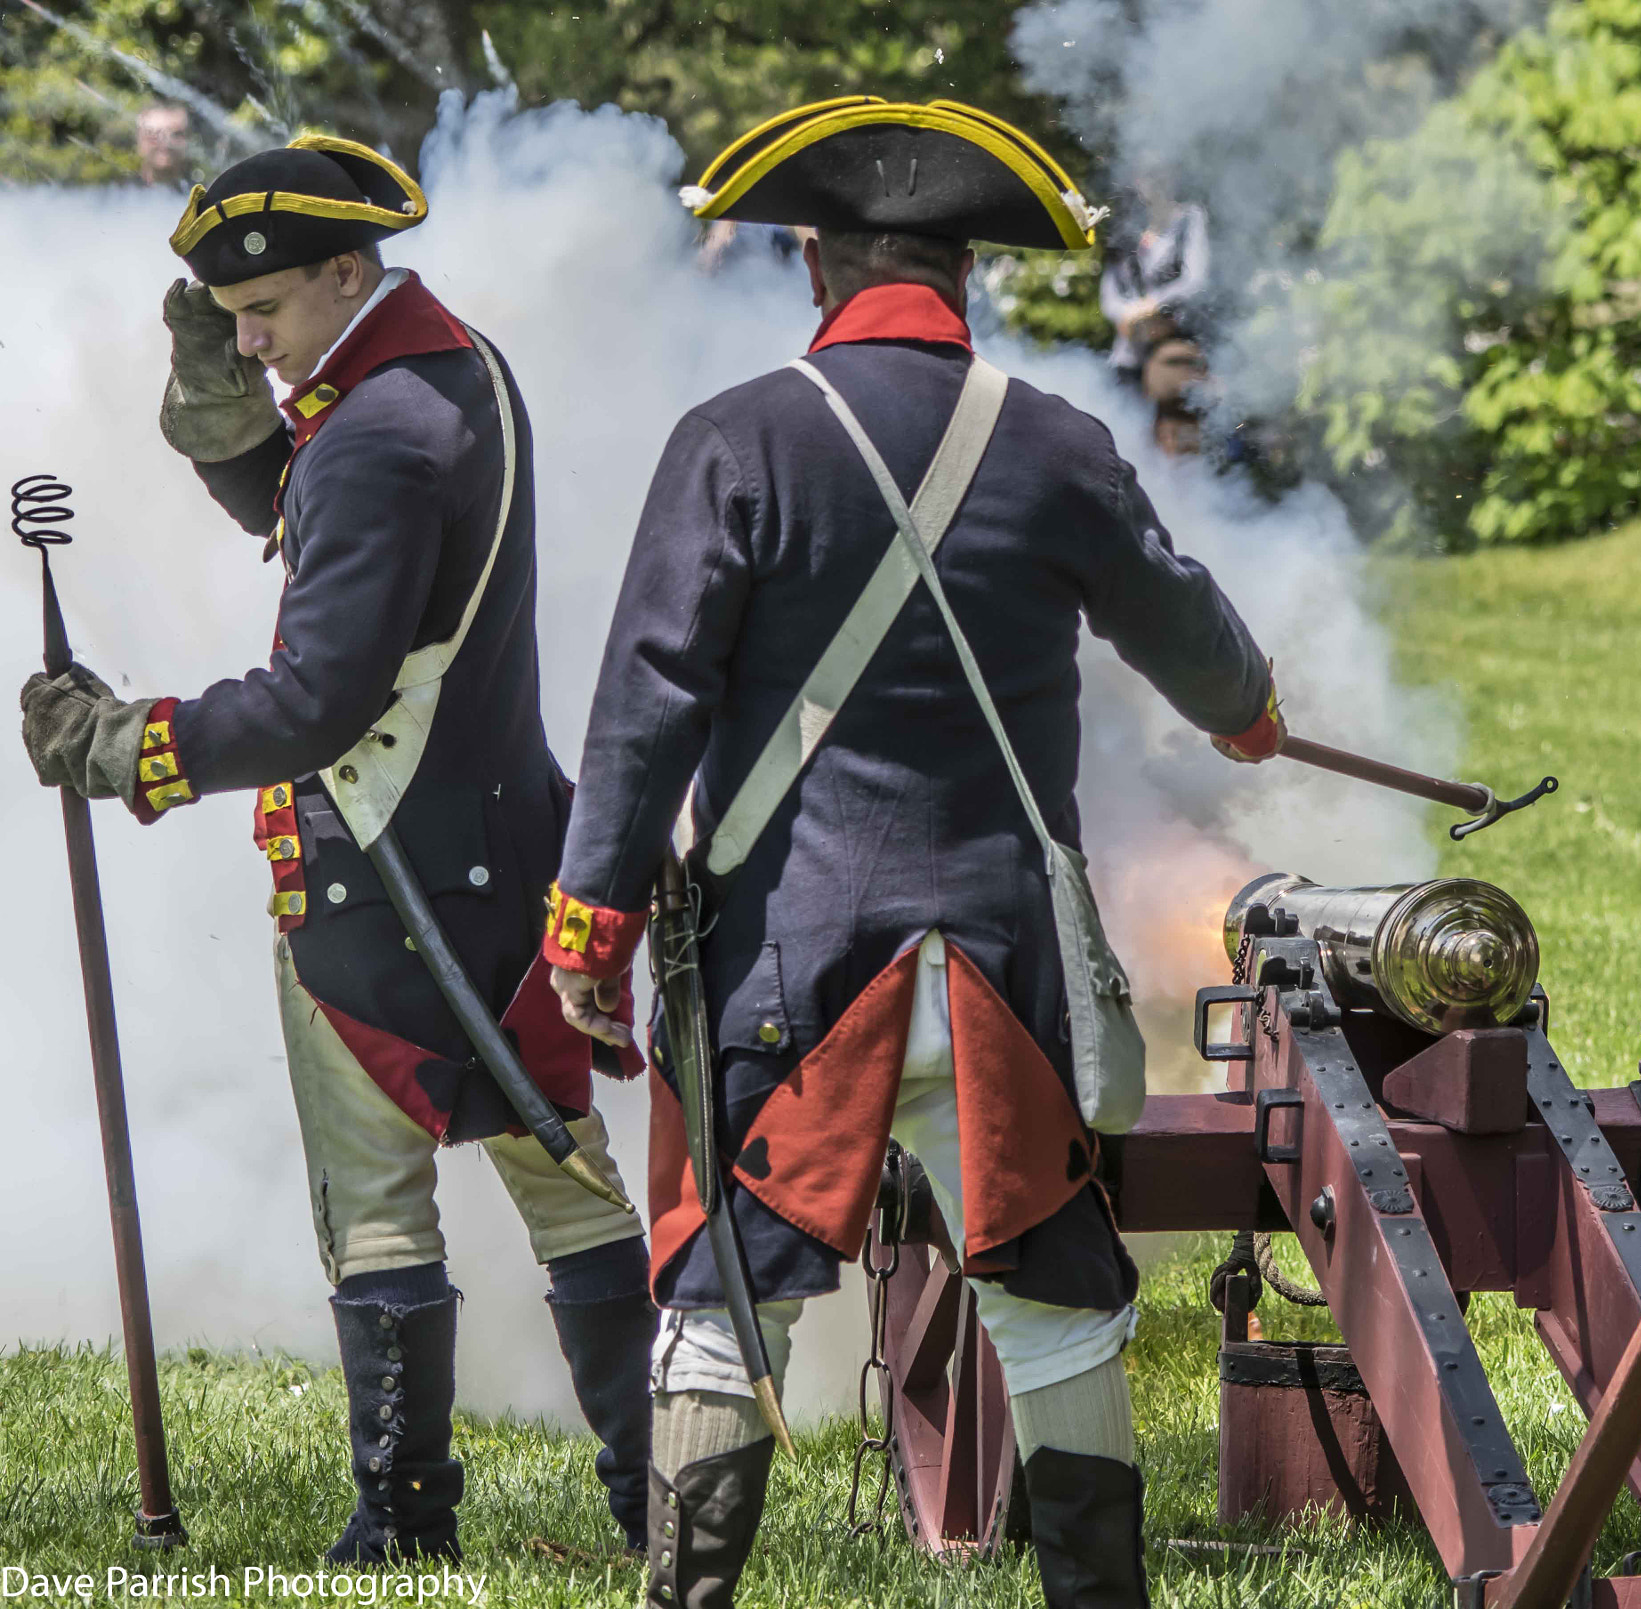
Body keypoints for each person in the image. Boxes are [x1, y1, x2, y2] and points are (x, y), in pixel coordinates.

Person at [542, 97, 1286, 1608]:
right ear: (967, 283)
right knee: (1062, 1312)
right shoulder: (1061, 446)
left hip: (789, 972)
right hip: (1000, 969)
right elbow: (1198, 645)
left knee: (724, 1304)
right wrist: (1252, 715)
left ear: (815, 269)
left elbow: (643, 713)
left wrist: (587, 933)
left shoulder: (732, 441)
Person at [18, 134, 654, 1564]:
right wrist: (226, 393)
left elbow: (318, 697)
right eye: (233, 318)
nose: (248, 337)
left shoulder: (373, 430)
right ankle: (658, 1494)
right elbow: (304, 512)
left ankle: (403, 1523)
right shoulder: (450, 374)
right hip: (507, 848)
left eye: (267, 314)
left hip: (377, 877)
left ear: (350, 273)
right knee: (571, 1186)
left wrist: (127, 742)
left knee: (375, 1216)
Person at [1099, 176, 1212, 455]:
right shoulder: (1127, 225)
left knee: (1179, 446)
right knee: (1129, 445)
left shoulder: (1189, 218)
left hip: (1174, 350)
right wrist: (1127, 313)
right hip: (1130, 355)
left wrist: (1152, 305)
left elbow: (1195, 281)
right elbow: (1109, 294)